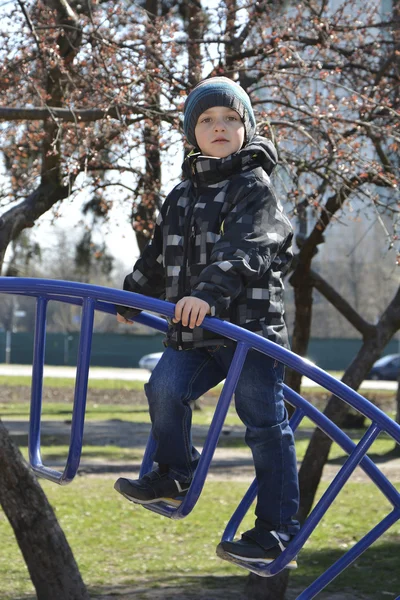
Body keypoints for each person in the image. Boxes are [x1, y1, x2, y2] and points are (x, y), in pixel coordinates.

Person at [114, 77, 300, 567]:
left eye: (231, 119)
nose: (219, 127)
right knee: (163, 389)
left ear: (247, 127)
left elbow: (246, 250)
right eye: (206, 120)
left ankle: (277, 528)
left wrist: (206, 294)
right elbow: (158, 256)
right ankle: (176, 470)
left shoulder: (255, 188)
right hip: (195, 332)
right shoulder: (179, 195)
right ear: (191, 133)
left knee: (264, 425)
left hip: (249, 332)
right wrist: (135, 292)